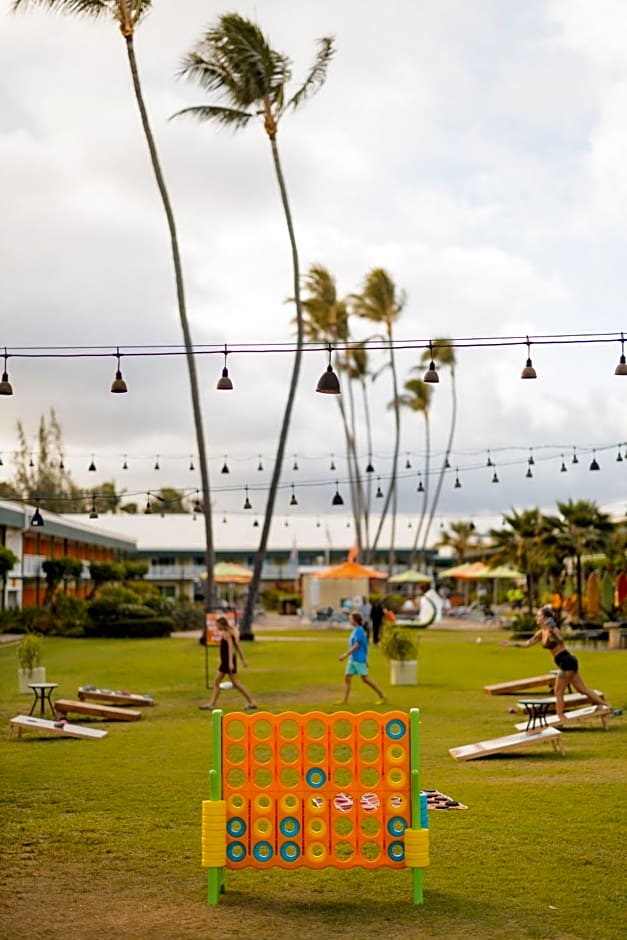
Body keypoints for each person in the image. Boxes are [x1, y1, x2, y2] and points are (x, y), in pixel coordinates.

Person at [500, 606, 610, 722]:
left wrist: (552, 632)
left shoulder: (553, 629)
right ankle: (606, 706)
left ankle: (560, 717)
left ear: (546, 618)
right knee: (582, 690)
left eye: (539, 615)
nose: (537, 617)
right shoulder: (541, 633)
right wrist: (511, 644)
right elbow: (527, 644)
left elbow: (561, 640)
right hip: (567, 662)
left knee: (558, 691)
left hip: (567, 661)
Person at [199, 616, 257, 711]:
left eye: (217, 625)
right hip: (226, 661)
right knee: (229, 683)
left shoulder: (227, 633)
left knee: (225, 683)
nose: (216, 627)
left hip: (227, 661)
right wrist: (243, 659)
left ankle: (251, 702)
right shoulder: (230, 632)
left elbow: (231, 648)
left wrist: (230, 662)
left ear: (221, 625)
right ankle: (211, 704)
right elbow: (238, 646)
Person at [337, 611, 385, 705]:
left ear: (355, 620)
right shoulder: (356, 630)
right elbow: (364, 646)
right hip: (353, 659)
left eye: (350, 619)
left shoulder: (359, 630)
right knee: (347, 678)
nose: (349, 620)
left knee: (365, 679)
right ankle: (344, 701)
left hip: (358, 659)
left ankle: (382, 696)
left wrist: (345, 655)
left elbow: (357, 646)